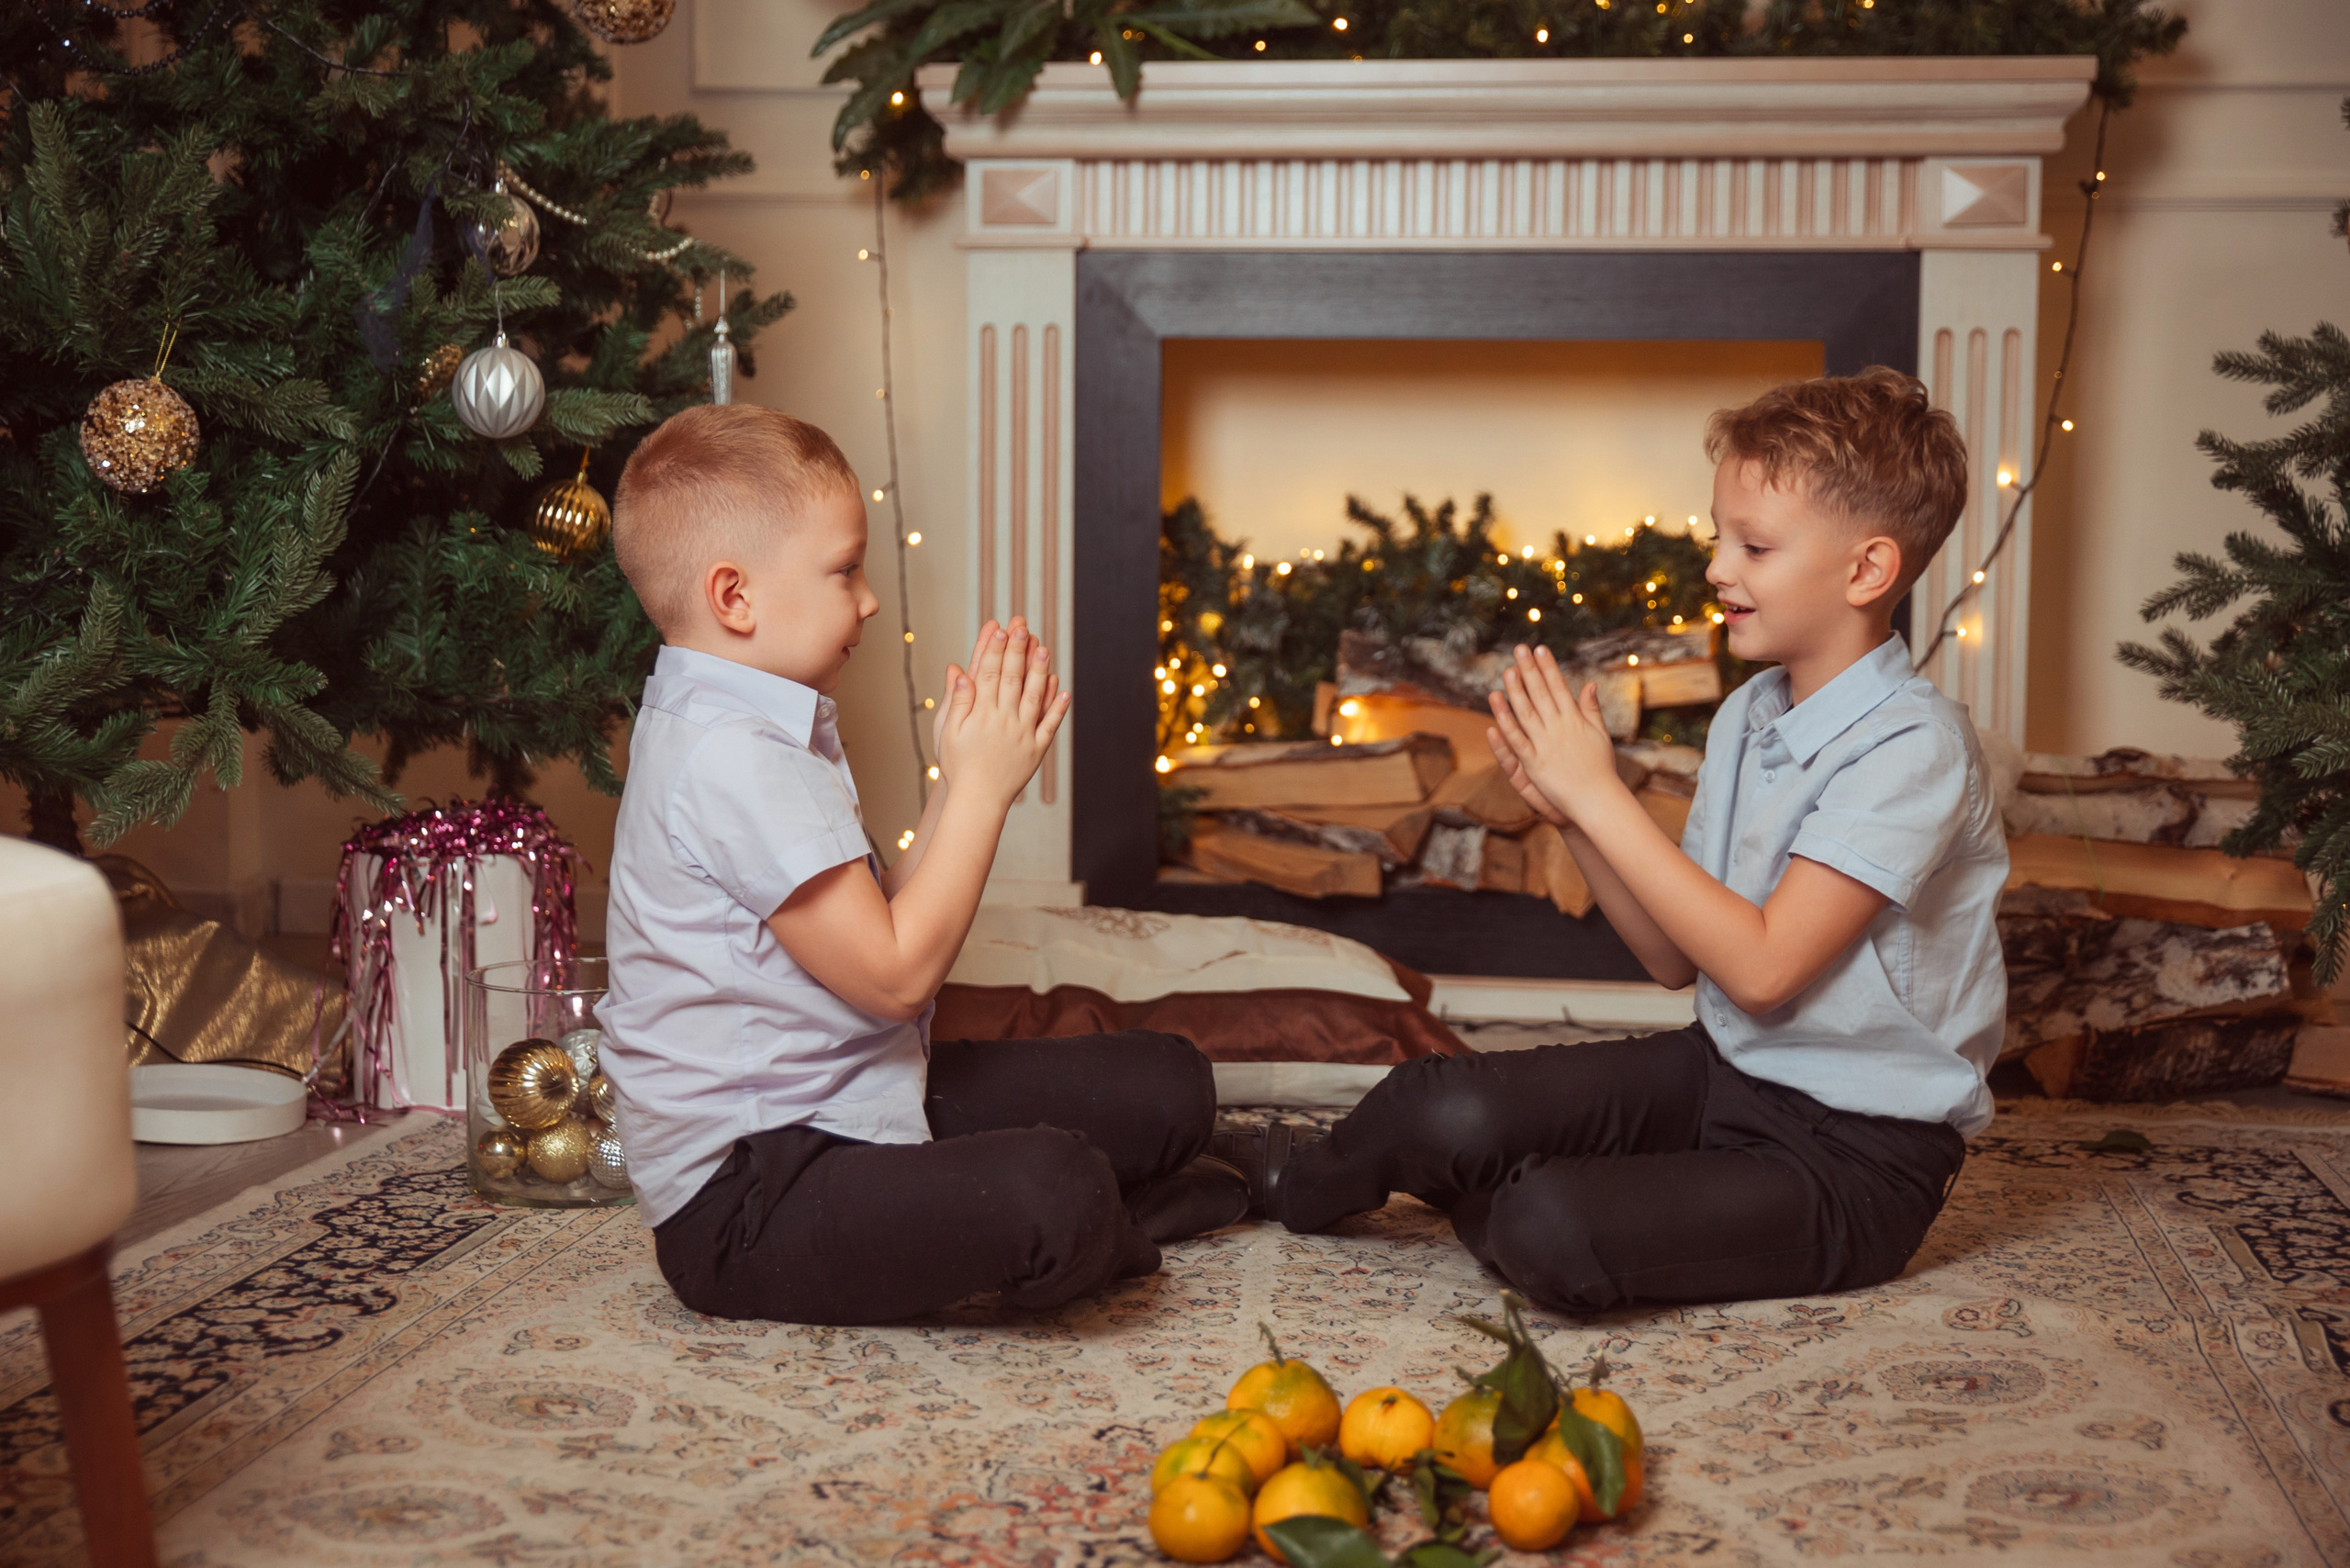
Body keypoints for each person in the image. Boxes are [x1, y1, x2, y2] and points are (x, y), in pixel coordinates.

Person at [1216, 367, 2007, 1313]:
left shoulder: (1913, 746)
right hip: (1724, 1073)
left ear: (1867, 569)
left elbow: (1761, 970)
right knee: (1437, 1100)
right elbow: (1677, 960)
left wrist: (1604, 797)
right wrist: (1570, 811)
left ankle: (1544, 1201)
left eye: (1753, 545)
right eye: (1721, 535)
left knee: (1550, 1229)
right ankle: (1265, 1183)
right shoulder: (1750, 714)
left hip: (1857, 1155)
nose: (1717, 566)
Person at [596, 405, 1247, 1327]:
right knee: (1052, 1189)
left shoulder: (756, 718)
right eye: (843, 570)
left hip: (849, 1095)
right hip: (749, 1199)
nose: (866, 600)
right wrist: (981, 790)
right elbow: (897, 976)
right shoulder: (728, 758)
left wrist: (959, 778)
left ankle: (1101, 1199)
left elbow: (876, 922)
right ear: (734, 597)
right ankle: (1118, 1217)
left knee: (1166, 1081)